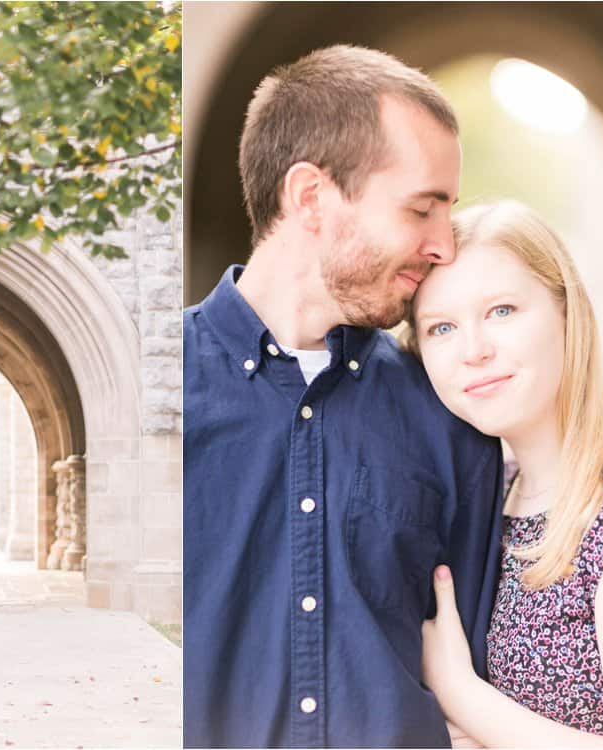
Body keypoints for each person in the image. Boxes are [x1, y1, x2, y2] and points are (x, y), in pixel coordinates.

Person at [183, 45, 506, 747]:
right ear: (309, 198)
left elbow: (478, 691)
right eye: (422, 210)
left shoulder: (453, 416)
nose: (444, 245)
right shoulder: (159, 391)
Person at [410, 201, 603, 747]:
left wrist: (462, 695)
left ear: (567, 311)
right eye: (442, 327)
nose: (474, 350)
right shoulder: (497, 485)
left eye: (502, 311)